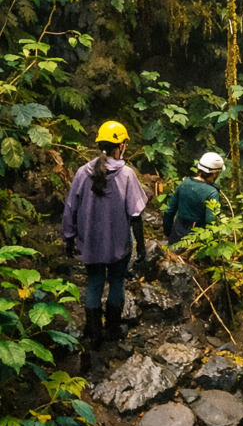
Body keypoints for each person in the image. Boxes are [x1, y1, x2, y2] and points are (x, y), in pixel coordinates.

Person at [62, 121, 147, 351]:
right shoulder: (127, 174)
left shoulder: (82, 172)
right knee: (117, 283)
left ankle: (93, 334)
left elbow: (70, 208)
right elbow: (136, 214)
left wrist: (68, 238)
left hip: (90, 244)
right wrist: (141, 246)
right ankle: (112, 331)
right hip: (119, 243)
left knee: (94, 285)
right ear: (120, 145)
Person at [163, 152, 225, 243]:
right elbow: (210, 221)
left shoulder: (185, 183)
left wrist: (168, 234)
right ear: (215, 173)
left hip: (175, 236)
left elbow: (169, 211)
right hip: (196, 241)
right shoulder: (212, 192)